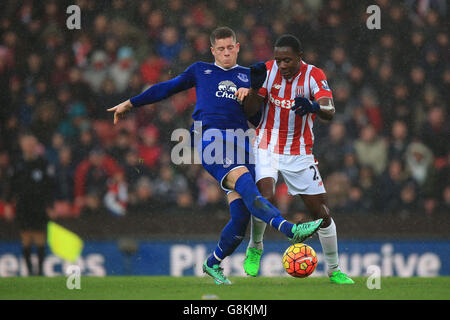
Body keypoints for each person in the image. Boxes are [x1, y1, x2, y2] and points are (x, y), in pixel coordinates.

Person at [107, 27, 322, 285]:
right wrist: (130, 103)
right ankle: (290, 230)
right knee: (246, 185)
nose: (226, 52)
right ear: (212, 51)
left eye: (230, 47)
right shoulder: (200, 70)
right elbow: (167, 88)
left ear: (238, 47)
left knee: (241, 218)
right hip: (210, 139)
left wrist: (250, 96)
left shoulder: (248, 76)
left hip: (243, 143)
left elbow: (257, 117)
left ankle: (213, 263)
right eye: (220, 49)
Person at [236, 34, 354, 284]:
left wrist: (314, 108)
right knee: (264, 198)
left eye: (287, 60)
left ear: (300, 57)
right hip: (266, 145)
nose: (282, 65)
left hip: (299, 152)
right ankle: (255, 246)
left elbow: (330, 110)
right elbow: (250, 112)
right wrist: (255, 90)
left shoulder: (314, 75)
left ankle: (334, 270)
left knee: (320, 213)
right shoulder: (267, 71)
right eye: (278, 60)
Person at [7, 133, 55, 276]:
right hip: (23, 206)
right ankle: (29, 272)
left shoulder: (43, 163)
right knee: (26, 239)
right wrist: (9, 204)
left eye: (31, 145)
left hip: (39, 206)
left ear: (35, 147)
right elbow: (12, 186)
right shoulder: (17, 164)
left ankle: (40, 271)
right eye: (26, 145)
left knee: (40, 238)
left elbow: (49, 187)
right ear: (22, 146)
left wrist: (50, 206)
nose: (29, 147)